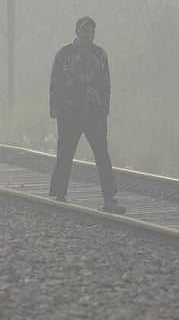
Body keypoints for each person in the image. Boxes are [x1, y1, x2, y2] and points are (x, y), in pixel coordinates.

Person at [48, 16, 127, 215]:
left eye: (92, 31)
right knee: (65, 154)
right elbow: (55, 82)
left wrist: (105, 107)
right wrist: (55, 107)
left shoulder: (100, 55)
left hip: (94, 112)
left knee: (102, 155)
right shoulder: (64, 54)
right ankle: (59, 195)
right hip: (69, 111)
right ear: (77, 32)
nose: (89, 34)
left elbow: (106, 83)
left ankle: (109, 197)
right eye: (85, 30)